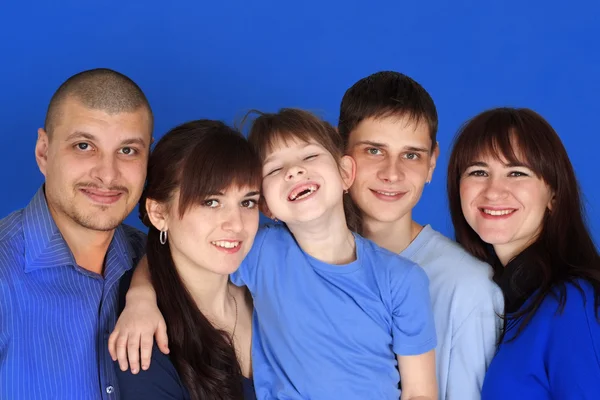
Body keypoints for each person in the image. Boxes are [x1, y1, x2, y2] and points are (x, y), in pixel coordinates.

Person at [110, 108, 438, 399]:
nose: (295, 171)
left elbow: (420, 392)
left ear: (345, 173)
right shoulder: (262, 252)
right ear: (269, 205)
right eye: (275, 168)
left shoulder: (402, 279)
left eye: (310, 157)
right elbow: (171, 254)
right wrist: (140, 296)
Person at [338, 71, 503, 399]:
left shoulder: (467, 287)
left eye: (411, 155)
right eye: (374, 150)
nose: (392, 173)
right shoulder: (294, 258)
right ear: (337, 151)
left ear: (432, 163)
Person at [0, 68, 152, 399]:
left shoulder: (156, 260)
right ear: (44, 152)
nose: (107, 175)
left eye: (128, 150)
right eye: (84, 145)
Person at [446, 107, 600, 399]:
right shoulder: (499, 300)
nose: (493, 191)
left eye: (517, 172)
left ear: (553, 194)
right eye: (478, 172)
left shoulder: (572, 304)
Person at [116, 120, 261, 399]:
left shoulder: (269, 293)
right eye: (211, 202)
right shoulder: (146, 340)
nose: (237, 224)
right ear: (159, 214)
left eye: (247, 202)